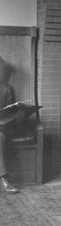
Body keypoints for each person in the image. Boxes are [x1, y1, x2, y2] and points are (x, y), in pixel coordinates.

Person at [0, 58, 20, 194]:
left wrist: (22, 111)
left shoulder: (7, 89)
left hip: (2, 127)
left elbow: (12, 112)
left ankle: (4, 178)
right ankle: (4, 178)